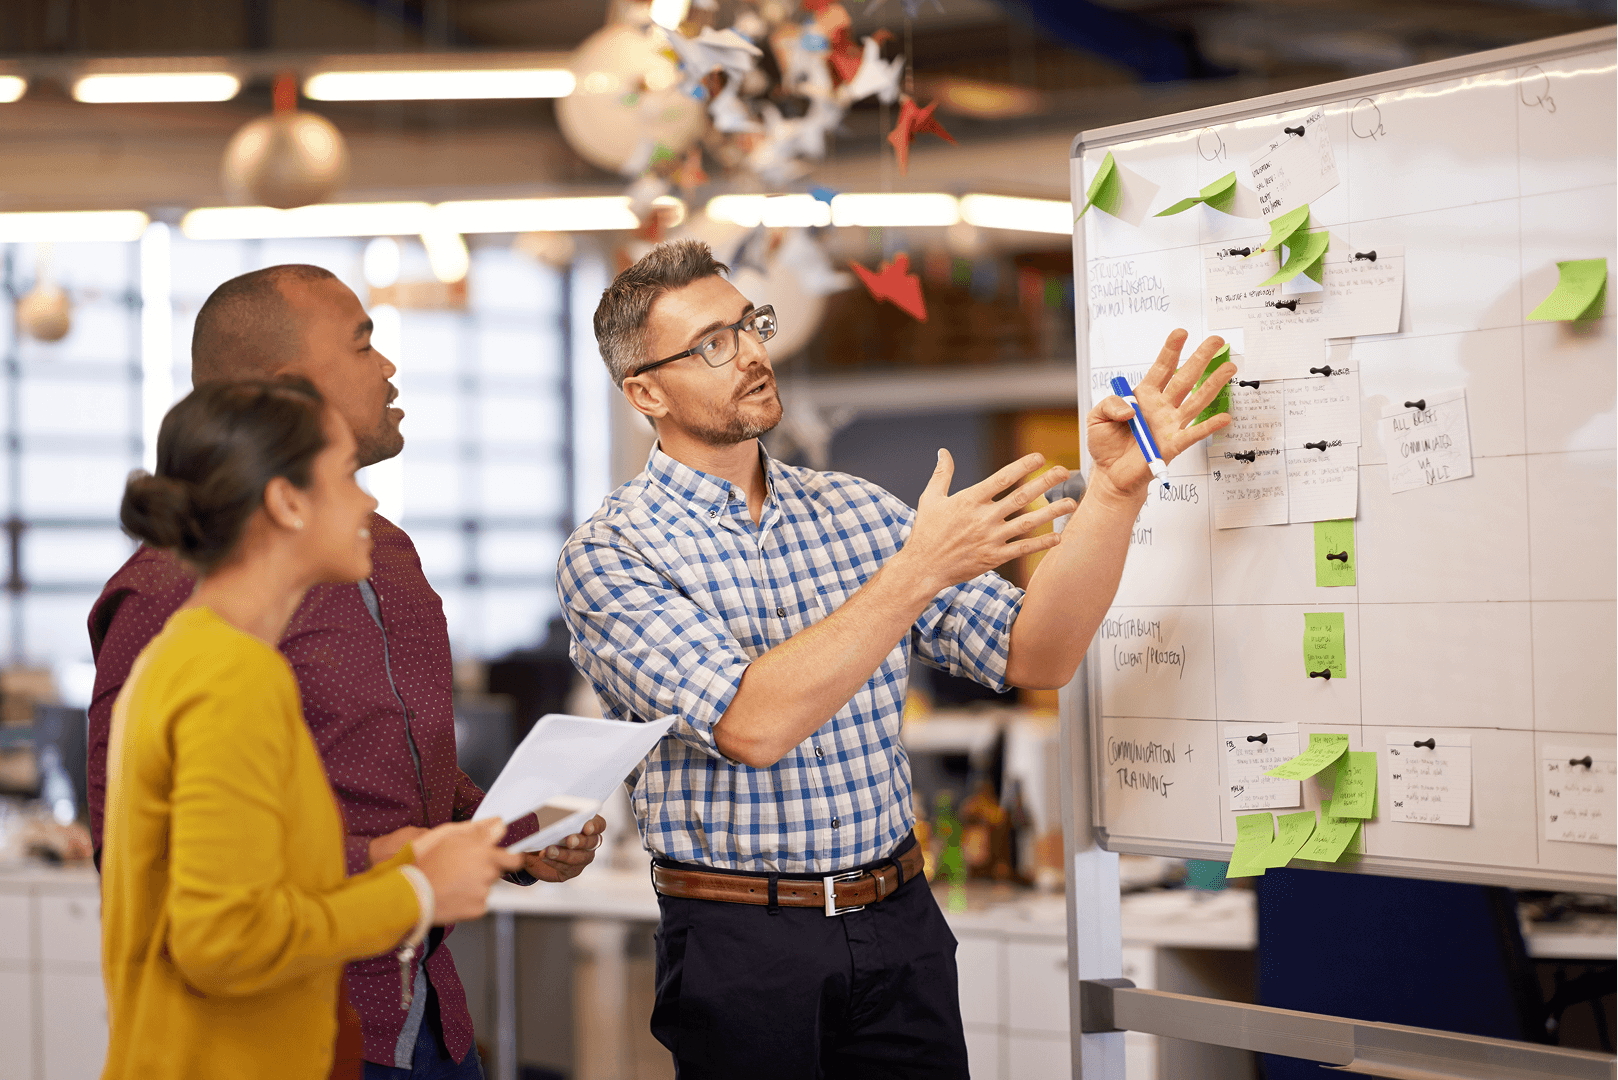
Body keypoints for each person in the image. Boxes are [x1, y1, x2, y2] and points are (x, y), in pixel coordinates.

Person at [558, 239, 1232, 1077]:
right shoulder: (613, 554)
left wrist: (1116, 491)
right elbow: (751, 724)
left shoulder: (854, 511)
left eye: (750, 325)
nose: (755, 354)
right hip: (742, 944)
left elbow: (1039, 652)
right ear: (645, 391)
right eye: (712, 344)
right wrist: (916, 572)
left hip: (898, 922)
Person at [85, 264, 605, 1079]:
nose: (366, 505)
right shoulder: (194, 636)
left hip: (418, 1006)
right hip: (277, 1034)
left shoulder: (382, 560)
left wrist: (497, 837)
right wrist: (416, 882)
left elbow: (356, 804)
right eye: (365, 343)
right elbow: (173, 891)